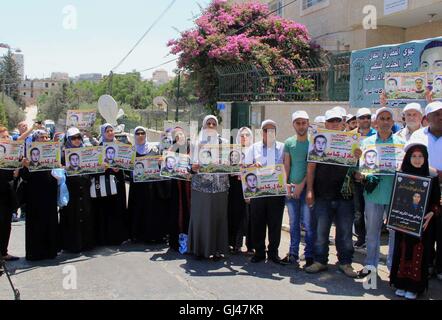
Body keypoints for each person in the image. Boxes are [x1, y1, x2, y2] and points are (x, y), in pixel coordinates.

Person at [305, 109, 360, 278]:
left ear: (343, 123)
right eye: (331, 121)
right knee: (321, 233)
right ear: (326, 123)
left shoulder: (353, 141)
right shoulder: (316, 141)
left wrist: (359, 156)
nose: (334, 123)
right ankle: (320, 261)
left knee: (344, 234)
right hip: (322, 195)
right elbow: (311, 168)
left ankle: (345, 262)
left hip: (345, 196)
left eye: (338, 120)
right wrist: (309, 190)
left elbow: (360, 169)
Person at [357, 107, 406, 278]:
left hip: (395, 194)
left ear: (393, 122)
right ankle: (371, 265)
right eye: (381, 118)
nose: (385, 122)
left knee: (394, 232)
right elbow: (360, 168)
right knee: (372, 231)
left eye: (388, 119)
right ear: (376, 122)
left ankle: (393, 266)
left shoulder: (402, 144)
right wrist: (360, 174)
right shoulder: (366, 143)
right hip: (373, 194)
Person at [390, 142, 440, 300]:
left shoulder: (431, 176)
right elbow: (396, 198)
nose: (417, 160)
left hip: (422, 225)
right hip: (404, 223)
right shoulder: (402, 174)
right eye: (414, 156)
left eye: (421, 156)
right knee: (403, 250)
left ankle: (414, 287)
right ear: (408, 157)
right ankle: (401, 283)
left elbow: (436, 203)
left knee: (418, 253)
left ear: (425, 158)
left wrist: (432, 213)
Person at [188, 115, 229, 261]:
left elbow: (230, 163)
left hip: (220, 187)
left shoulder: (224, 143)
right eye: (208, 123)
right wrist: (193, 167)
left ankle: (218, 249)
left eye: (213, 124)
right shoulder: (195, 143)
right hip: (201, 188)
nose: (211, 126)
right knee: (201, 218)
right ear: (204, 126)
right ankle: (199, 249)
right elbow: (189, 167)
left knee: (219, 218)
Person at [246, 119, 286, 264]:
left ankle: (273, 253)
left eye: (272, 130)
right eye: (265, 130)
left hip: (276, 192)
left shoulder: (282, 147)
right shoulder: (253, 148)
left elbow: (286, 167)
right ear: (261, 132)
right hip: (258, 192)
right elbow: (245, 168)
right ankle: (259, 252)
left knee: (275, 223)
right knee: (258, 222)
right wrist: (252, 165)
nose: (268, 133)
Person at [410, 101, 442, 280]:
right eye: (436, 114)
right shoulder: (417, 136)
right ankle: (427, 264)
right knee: (425, 229)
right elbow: (411, 161)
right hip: (423, 189)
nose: (440, 117)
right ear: (427, 118)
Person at [20, 129, 59, 261]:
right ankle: (35, 253)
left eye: (47, 137)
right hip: (34, 196)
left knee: (50, 221)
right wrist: (25, 166)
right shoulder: (28, 155)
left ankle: (50, 251)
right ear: (36, 139)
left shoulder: (53, 153)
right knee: (35, 224)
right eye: (42, 137)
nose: (45, 139)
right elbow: (24, 177)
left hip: (50, 193)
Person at [282, 111, 315, 267]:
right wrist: (286, 184)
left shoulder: (313, 142)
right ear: (293, 124)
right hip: (292, 190)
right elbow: (287, 165)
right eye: (298, 123)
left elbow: (311, 167)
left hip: (307, 189)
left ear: (308, 123)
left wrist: (302, 185)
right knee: (294, 224)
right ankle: (293, 254)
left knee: (308, 224)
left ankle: (309, 256)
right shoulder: (289, 143)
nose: (301, 126)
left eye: (304, 122)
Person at [128, 126, 169, 243]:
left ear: (146, 135)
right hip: (137, 187)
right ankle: (138, 235)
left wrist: (161, 161)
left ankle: (154, 235)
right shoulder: (131, 150)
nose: (140, 136)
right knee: (138, 209)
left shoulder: (154, 149)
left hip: (152, 187)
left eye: (142, 133)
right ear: (134, 136)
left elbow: (161, 164)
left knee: (153, 210)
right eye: (138, 134)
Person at [59, 127, 95, 253]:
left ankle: (86, 243)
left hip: (84, 187)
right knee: (71, 216)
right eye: (73, 138)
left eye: (78, 138)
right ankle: (71, 244)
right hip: (70, 189)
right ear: (68, 139)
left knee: (85, 214)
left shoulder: (86, 152)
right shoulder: (63, 154)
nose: (76, 141)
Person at [92, 124, 128, 246]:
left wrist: (120, 167)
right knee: (105, 208)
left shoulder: (120, 146)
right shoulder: (99, 147)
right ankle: (104, 237)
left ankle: (117, 236)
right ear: (103, 133)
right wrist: (102, 166)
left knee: (117, 208)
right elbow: (94, 165)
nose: (110, 133)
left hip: (117, 180)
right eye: (107, 131)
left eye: (112, 130)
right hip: (104, 180)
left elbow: (127, 162)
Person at [353, 108, 377, 249]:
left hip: (372, 180)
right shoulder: (352, 136)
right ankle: (361, 238)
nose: (365, 120)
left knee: (372, 212)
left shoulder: (377, 135)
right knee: (358, 212)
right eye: (362, 118)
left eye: (368, 117)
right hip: (356, 180)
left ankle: (371, 239)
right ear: (357, 120)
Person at [228, 127, 254, 255]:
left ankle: (251, 246)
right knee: (237, 215)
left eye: (247, 135)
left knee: (250, 217)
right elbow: (229, 170)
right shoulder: (234, 152)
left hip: (251, 185)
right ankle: (236, 244)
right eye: (242, 135)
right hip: (237, 187)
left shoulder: (255, 151)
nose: (244, 137)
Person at [167, 126, 192, 253]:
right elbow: (166, 167)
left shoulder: (191, 149)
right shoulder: (171, 149)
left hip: (189, 187)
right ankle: (176, 243)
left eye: (181, 134)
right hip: (176, 186)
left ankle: (190, 242)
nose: (179, 137)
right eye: (177, 136)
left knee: (189, 212)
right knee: (176, 212)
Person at [0, 128, 19, 262]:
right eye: (4, 137)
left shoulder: (10, 154)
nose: (7, 139)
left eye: (8, 136)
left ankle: (3, 252)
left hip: (7, 194)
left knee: (6, 224)